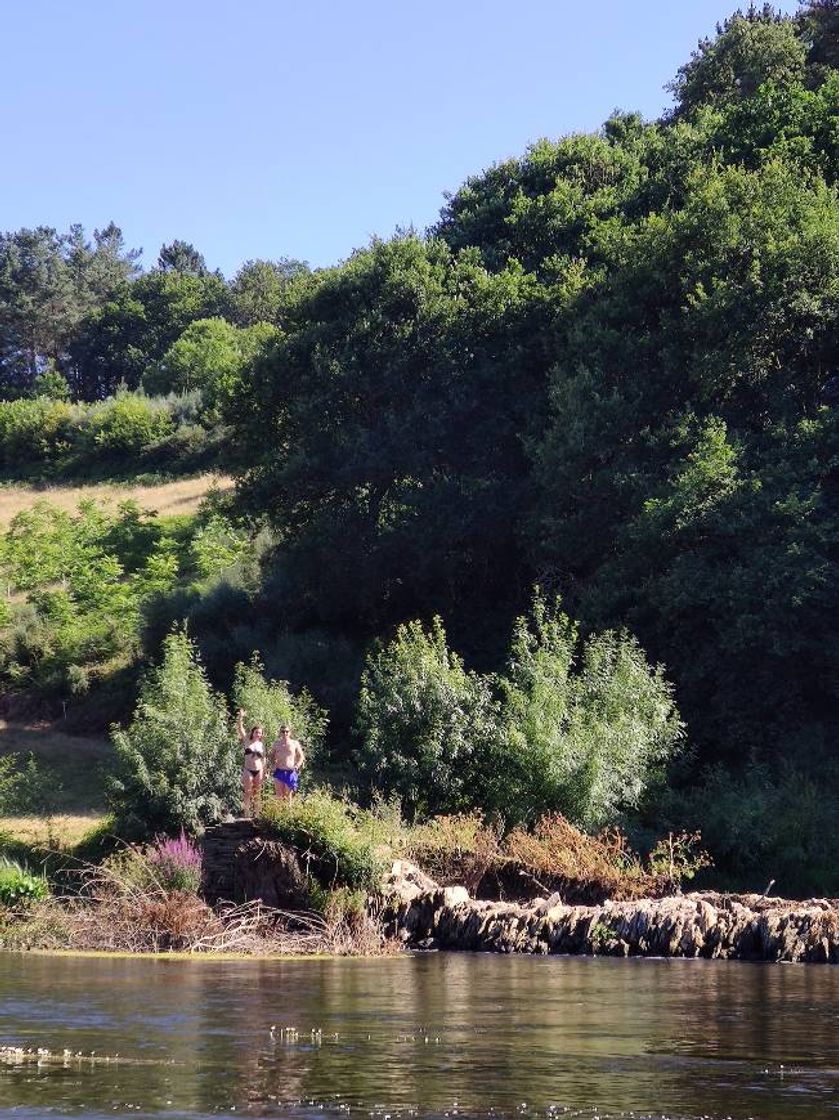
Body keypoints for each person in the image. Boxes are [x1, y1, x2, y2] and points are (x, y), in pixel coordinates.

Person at [237, 708, 266, 817]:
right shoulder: (247, 741)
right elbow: (240, 728)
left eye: (260, 733)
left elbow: (264, 759)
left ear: (262, 735)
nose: (258, 734)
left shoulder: (262, 745)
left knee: (257, 793)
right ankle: (246, 814)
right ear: (253, 732)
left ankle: (257, 814)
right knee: (247, 791)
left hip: (259, 770)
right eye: (256, 732)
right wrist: (241, 717)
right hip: (248, 769)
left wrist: (266, 772)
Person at [271, 723, 305, 802]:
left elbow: (301, 756)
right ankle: (279, 813)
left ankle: (288, 814)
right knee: (279, 795)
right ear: (280, 733)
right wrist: (273, 764)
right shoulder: (276, 744)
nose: (285, 733)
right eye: (283, 731)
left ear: (290, 732)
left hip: (290, 771)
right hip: (279, 771)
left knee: (288, 796)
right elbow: (271, 756)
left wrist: (297, 766)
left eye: (287, 731)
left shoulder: (294, 743)